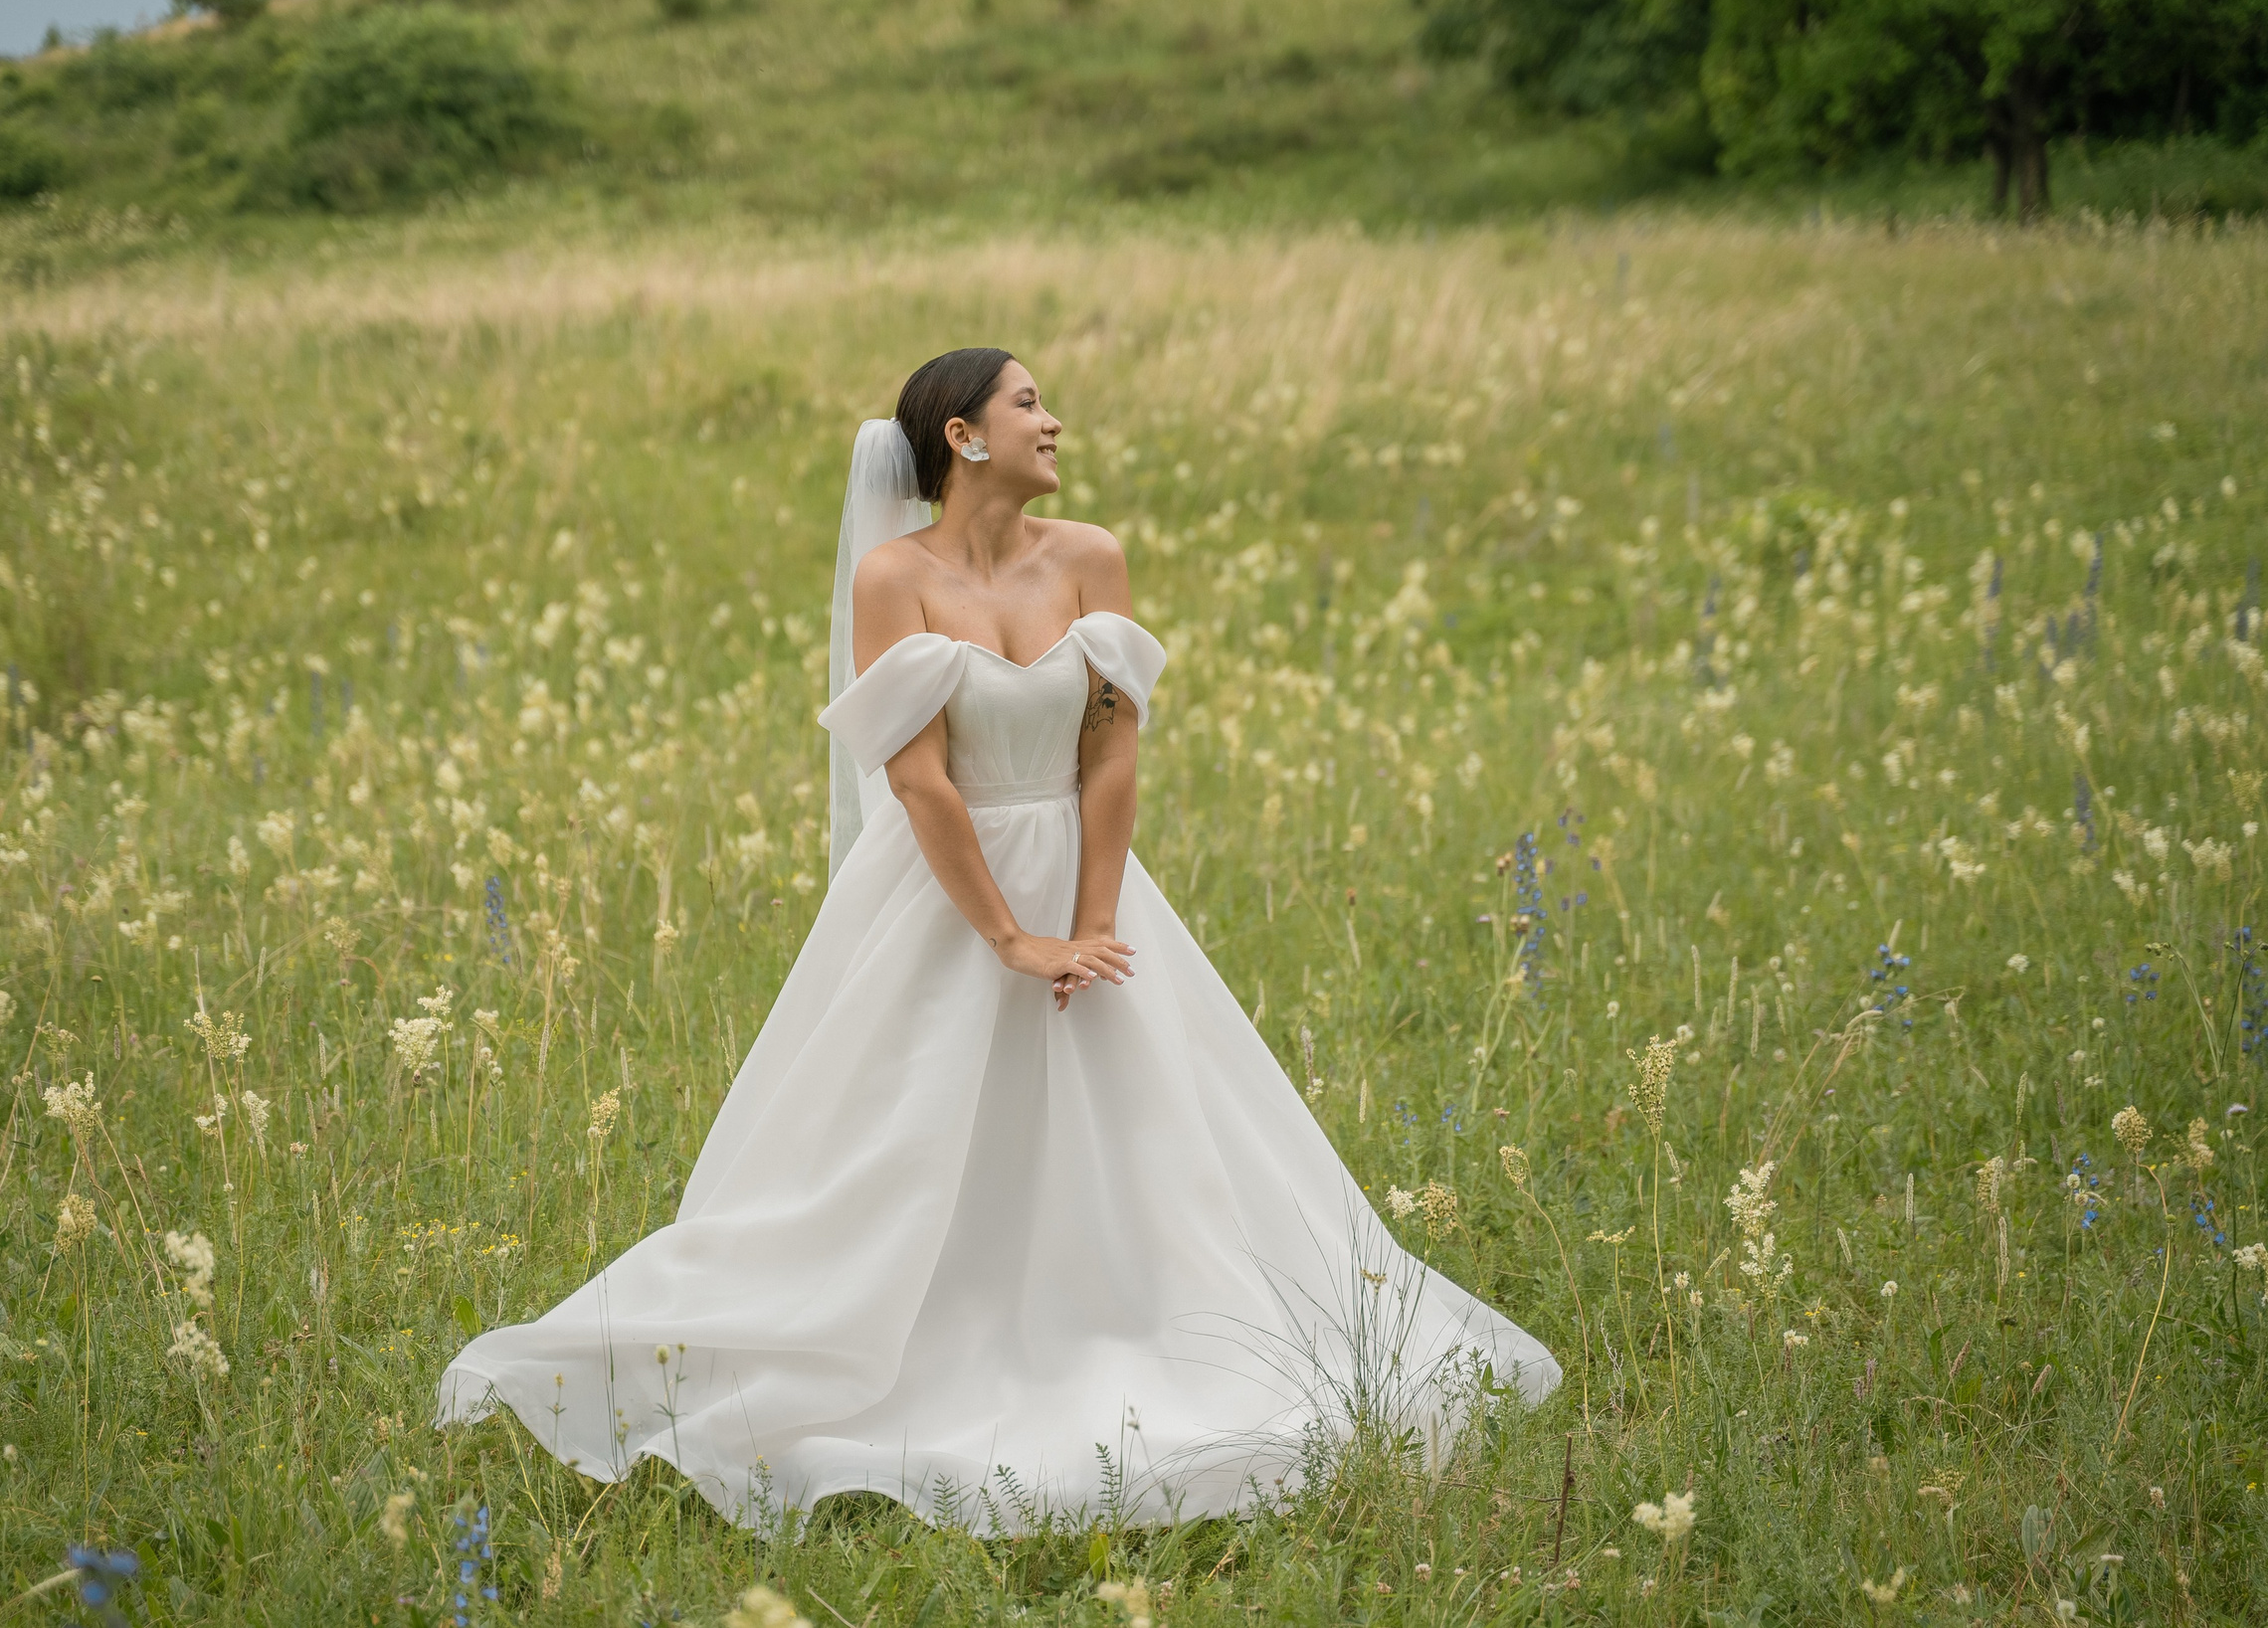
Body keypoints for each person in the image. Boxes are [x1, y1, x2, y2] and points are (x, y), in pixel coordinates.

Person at [436, 348, 1559, 1535]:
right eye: (1028, 404)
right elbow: (917, 781)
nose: (1054, 420)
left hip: (1089, 881)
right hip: (944, 891)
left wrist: (1088, 922)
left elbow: (1112, 749)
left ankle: (1149, 1324)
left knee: (1142, 1129)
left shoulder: (1090, 558)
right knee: (897, 1138)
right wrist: (1009, 937)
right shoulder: (893, 578)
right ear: (963, 437)